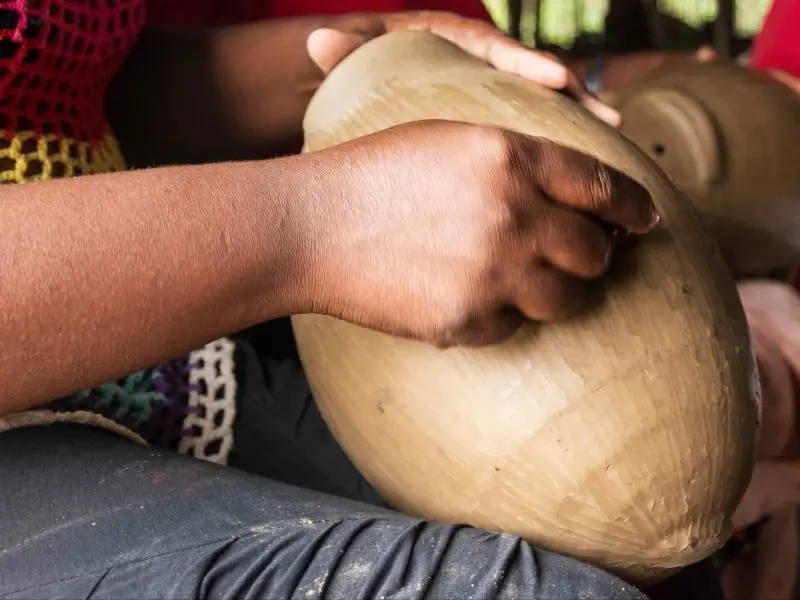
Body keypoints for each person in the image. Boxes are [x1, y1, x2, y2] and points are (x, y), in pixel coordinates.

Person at [0, 1, 717, 598]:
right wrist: (313, 224)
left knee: (656, 549)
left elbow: (71, 92)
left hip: (143, 369)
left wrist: (381, 66)